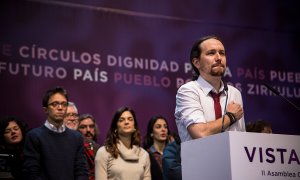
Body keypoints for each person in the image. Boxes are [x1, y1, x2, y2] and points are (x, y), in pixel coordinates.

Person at [175, 35, 245, 142]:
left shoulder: (234, 93)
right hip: (201, 158)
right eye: (211, 53)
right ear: (196, 63)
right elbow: (200, 133)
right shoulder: (188, 90)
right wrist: (230, 117)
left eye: (222, 53)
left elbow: (241, 137)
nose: (218, 58)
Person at [23, 86, 88, 180]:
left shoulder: (76, 137)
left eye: (64, 104)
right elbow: (32, 173)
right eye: (55, 104)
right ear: (45, 110)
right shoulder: (34, 136)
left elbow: (81, 171)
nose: (60, 108)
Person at [95, 107, 151, 180]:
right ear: (115, 128)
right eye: (121, 120)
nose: (126, 122)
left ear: (135, 126)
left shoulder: (144, 155)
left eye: (130, 119)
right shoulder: (103, 153)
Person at [143, 115, 171, 180]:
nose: (163, 129)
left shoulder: (173, 153)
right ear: (151, 133)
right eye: (158, 127)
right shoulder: (146, 154)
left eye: (165, 127)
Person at [78, 113, 101, 180]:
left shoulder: (100, 149)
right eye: (83, 127)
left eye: (91, 126)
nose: (88, 130)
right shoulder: (76, 150)